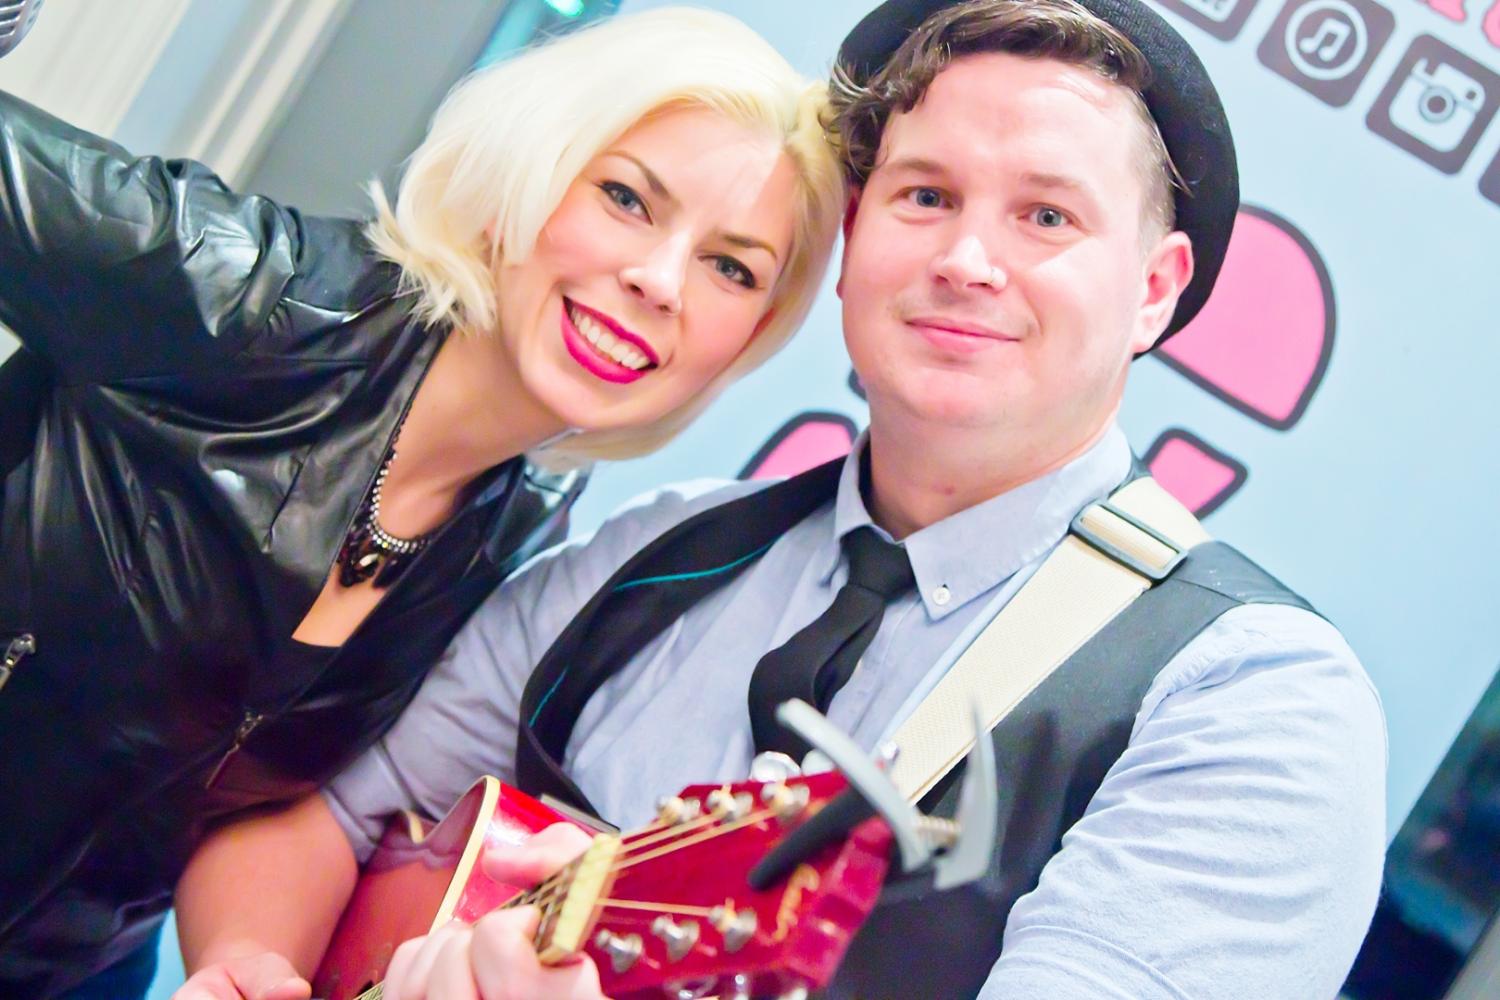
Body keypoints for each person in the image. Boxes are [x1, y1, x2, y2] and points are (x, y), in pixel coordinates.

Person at [170, 1, 1388, 998]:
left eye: (1046, 216)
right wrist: (250, 963)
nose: (967, 259)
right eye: (925, 196)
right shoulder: (659, 547)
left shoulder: (1247, 698)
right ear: (855, 237)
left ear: (1155, 290)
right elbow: (323, 813)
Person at [0, 7, 844, 998]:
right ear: (526, 172)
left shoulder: (524, 519)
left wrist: (241, 960)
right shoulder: (244, 295)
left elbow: (247, 793)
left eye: (731, 267)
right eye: (625, 198)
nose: (660, 281)